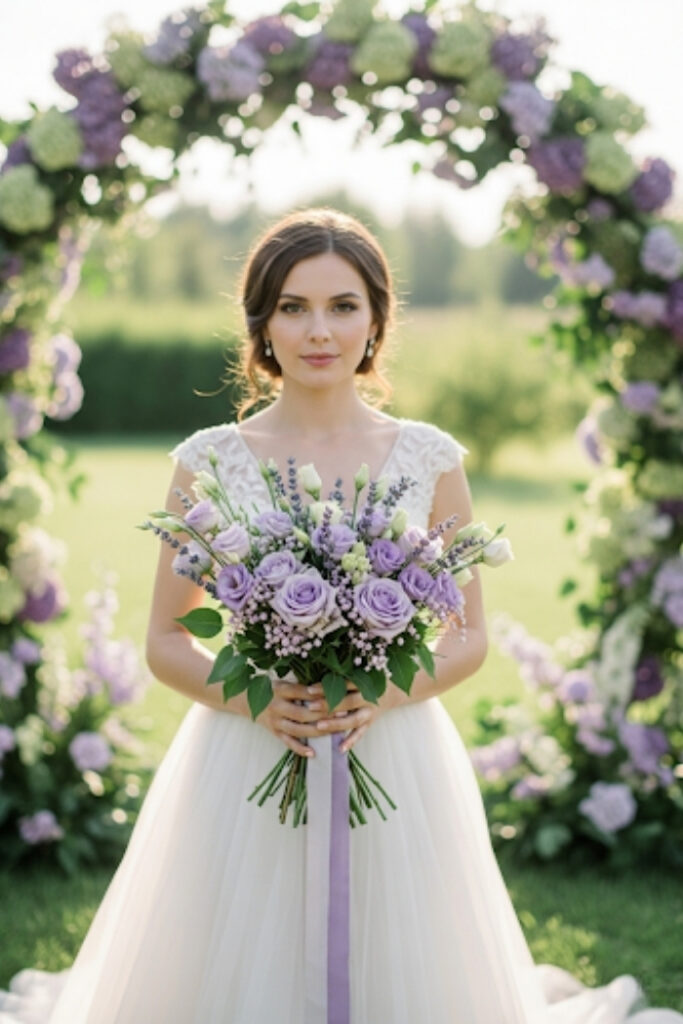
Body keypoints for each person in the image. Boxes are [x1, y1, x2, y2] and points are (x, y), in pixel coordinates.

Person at [1, 207, 680, 1023]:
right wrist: (257, 698)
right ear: (261, 325)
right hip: (245, 751)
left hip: (390, 751)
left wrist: (383, 694)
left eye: (341, 305)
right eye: (292, 306)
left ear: (375, 322)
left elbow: (467, 635)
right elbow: (164, 638)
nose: (317, 329)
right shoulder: (208, 460)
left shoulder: (429, 458)